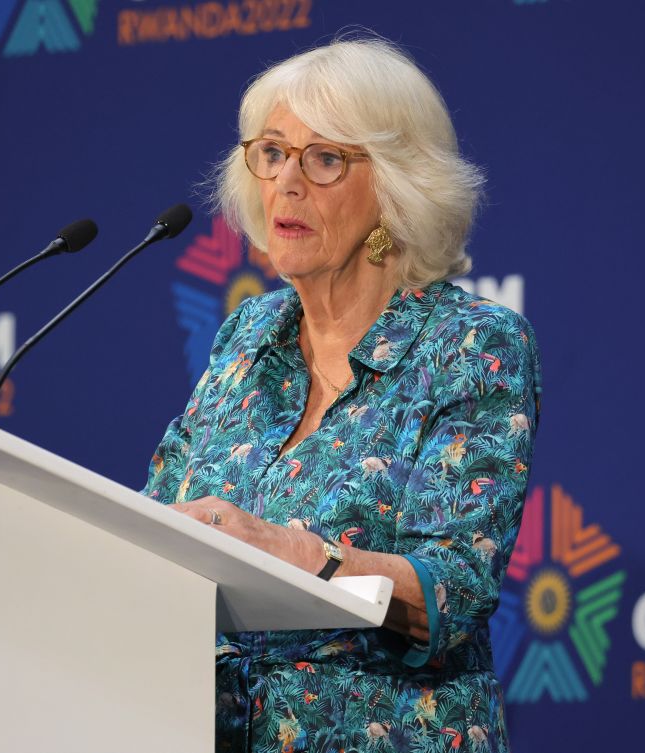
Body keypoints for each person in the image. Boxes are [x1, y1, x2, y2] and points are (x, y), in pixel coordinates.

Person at [143, 36, 541, 753]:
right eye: (271, 153)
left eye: (324, 159)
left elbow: (452, 587)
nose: (286, 184)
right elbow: (158, 521)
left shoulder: (470, 345)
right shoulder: (247, 337)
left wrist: (287, 550)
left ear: (395, 184)